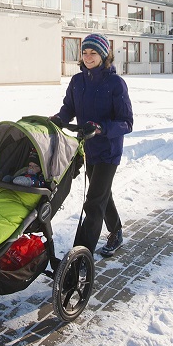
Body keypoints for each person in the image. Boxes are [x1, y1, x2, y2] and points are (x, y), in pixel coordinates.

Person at [50, 33, 134, 257]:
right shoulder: (78, 81)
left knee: (94, 202)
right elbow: (69, 108)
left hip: (109, 150)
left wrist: (101, 128)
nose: (88, 57)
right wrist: (58, 119)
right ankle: (116, 231)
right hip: (88, 149)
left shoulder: (115, 83)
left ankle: (80, 258)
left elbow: (126, 122)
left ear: (104, 55)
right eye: (85, 52)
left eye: (93, 53)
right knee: (102, 193)